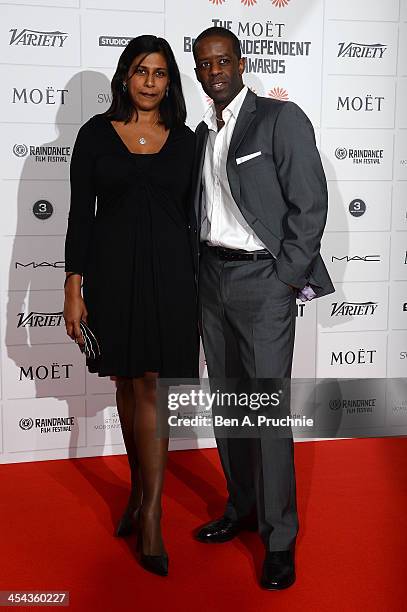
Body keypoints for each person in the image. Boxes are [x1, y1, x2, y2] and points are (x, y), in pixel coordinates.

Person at [190, 27, 335, 590]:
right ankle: (241, 508)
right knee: (228, 404)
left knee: (267, 414)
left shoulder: (280, 119)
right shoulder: (206, 132)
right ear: (199, 72)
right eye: (205, 64)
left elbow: (310, 202)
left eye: (223, 60)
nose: (215, 71)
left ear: (241, 62)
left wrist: (284, 278)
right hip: (211, 279)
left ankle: (280, 538)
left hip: (262, 282)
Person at [64, 35, 199, 577]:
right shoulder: (94, 134)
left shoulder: (187, 141)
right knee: (126, 382)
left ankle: (151, 518)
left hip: (171, 278)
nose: (150, 81)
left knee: (153, 384)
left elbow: (199, 218)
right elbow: (79, 215)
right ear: (125, 76)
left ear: (170, 81)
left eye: (161, 73)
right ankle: (138, 494)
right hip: (113, 276)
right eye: (141, 70)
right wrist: (74, 286)